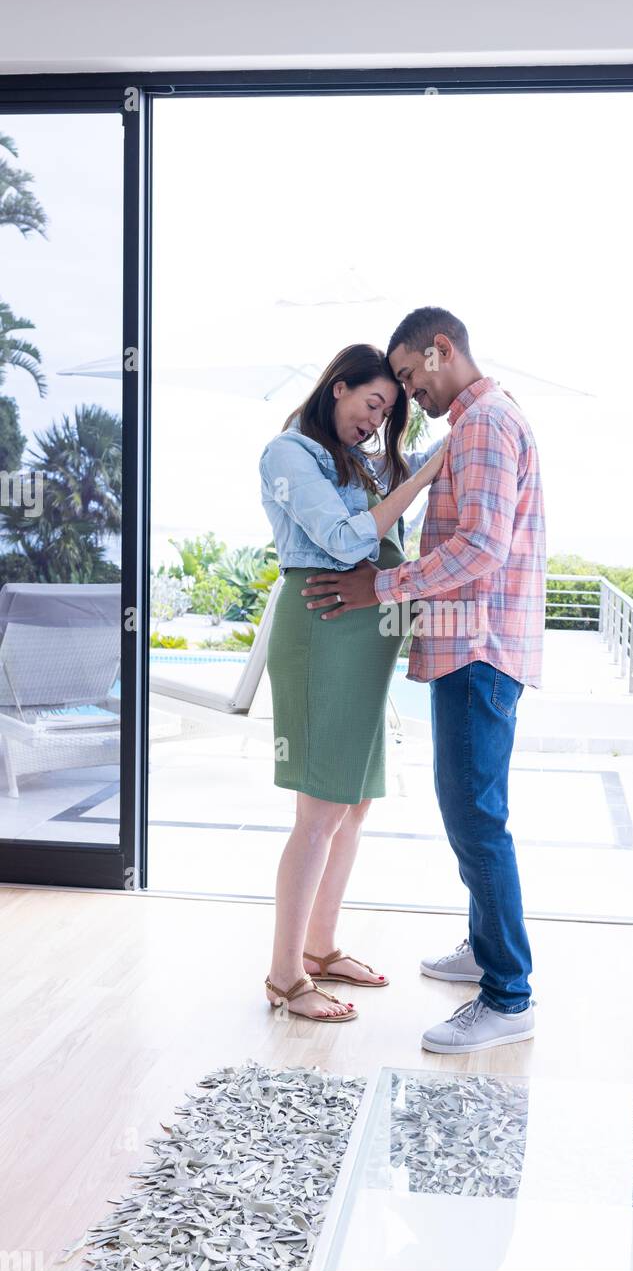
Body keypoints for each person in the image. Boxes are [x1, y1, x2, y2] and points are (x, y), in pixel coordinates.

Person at [301, 308, 547, 1053]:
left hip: (476, 646)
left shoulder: (484, 425)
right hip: (465, 644)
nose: (410, 392)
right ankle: (484, 949)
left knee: (474, 817)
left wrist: (376, 589)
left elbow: (479, 546)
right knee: (473, 809)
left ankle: (507, 995)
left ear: (442, 350)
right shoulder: (474, 426)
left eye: (409, 376)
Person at [259, 342, 447, 1022]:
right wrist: (418, 481)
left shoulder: (360, 463)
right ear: (337, 387)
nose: (375, 422)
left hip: (363, 639)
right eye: (372, 404)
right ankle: (284, 975)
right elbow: (342, 544)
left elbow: (413, 476)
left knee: (354, 806)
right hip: (324, 629)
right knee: (318, 812)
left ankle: (319, 946)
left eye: (388, 413)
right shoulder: (291, 454)